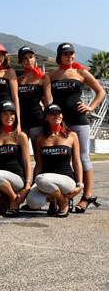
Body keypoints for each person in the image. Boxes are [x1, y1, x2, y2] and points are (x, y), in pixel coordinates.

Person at [48, 42, 105, 213]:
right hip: (59, 122)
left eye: (72, 53)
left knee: (82, 158)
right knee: (60, 159)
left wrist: (91, 107)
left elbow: (100, 92)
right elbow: (40, 92)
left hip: (79, 121)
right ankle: (62, 195)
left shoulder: (82, 73)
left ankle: (86, 196)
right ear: (59, 56)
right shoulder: (51, 75)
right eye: (66, 54)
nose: (69, 56)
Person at [25, 104, 84, 217]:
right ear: (46, 117)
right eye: (52, 114)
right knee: (33, 202)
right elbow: (39, 165)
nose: (57, 116)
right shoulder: (40, 139)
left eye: (59, 113)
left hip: (67, 181)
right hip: (45, 181)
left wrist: (80, 184)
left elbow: (77, 162)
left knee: (41, 179)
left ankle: (63, 201)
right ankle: (54, 199)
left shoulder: (71, 136)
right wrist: (33, 184)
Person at [0, 101, 32, 217]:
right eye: (5, 114)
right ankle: (10, 198)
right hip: (0, 179)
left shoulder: (20, 136)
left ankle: (13, 201)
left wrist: (28, 185)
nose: (9, 117)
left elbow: (28, 163)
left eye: (11, 114)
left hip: (17, 179)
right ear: (0, 117)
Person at [17, 46, 51, 155]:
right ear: (21, 61)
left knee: (39, 154)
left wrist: (48, 122)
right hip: (21, 121)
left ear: (34, 58)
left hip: (37, 120)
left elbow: (47, 103)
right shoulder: (17, 80)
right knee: (21, 154)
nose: (28, 60)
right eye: (25, 58)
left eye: (31, 57)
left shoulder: (43, 78)